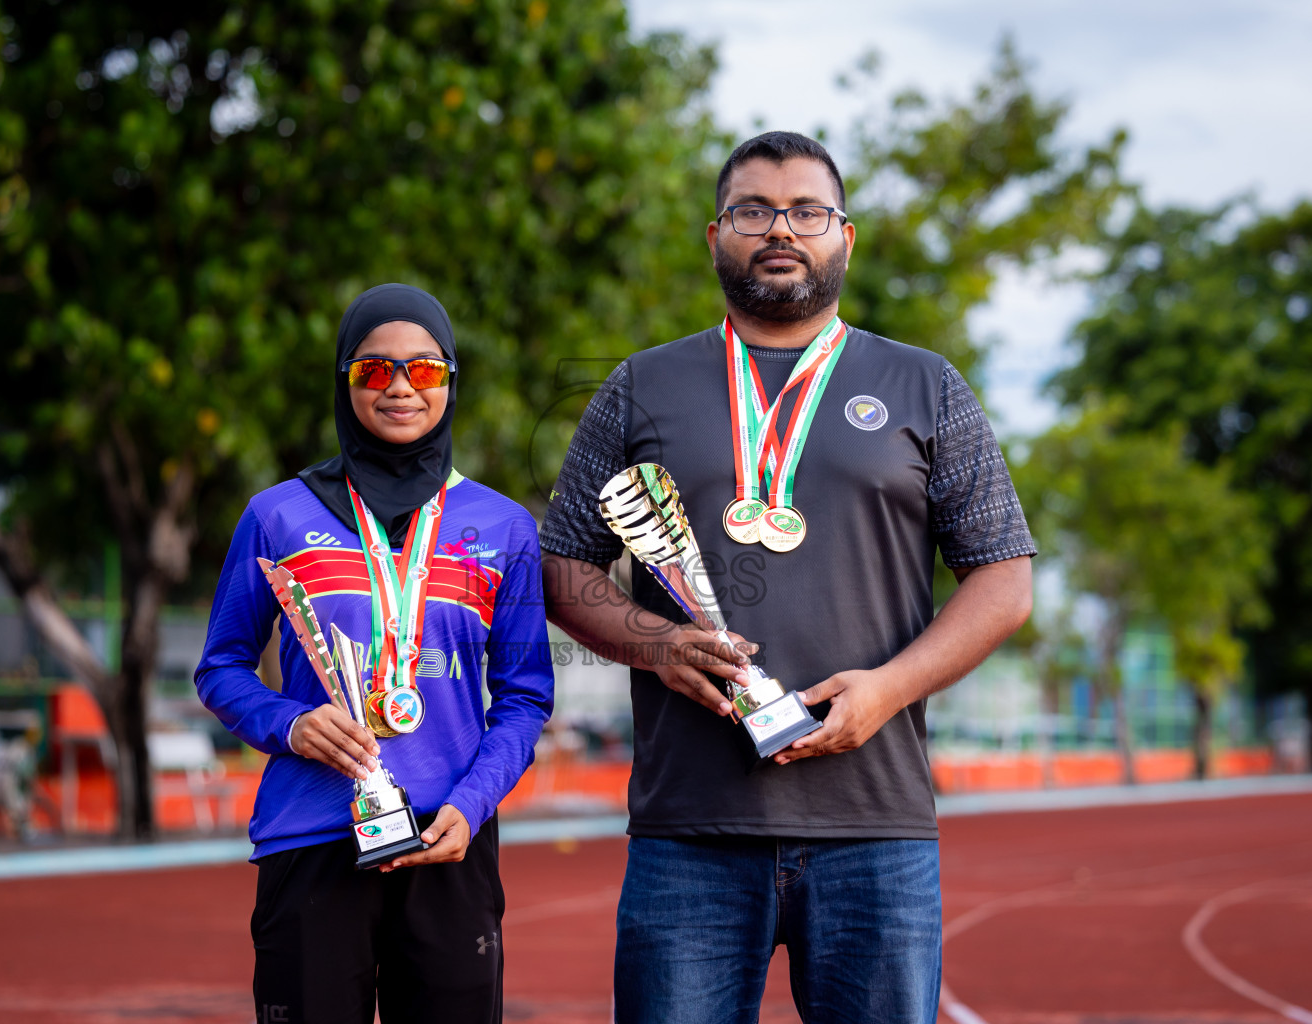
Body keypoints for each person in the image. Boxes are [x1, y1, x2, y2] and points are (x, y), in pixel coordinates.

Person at [541, 132, 1035, 1023]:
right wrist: (654, 645)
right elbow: (560, 561)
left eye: (807, 210)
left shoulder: (926, 385)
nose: (781, 228)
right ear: (714, 235)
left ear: (846, 236)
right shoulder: (636, 386)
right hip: (689, 829)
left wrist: (887, 691)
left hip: (874, 829)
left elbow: (1004, 578)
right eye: (752, 210)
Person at [195, 284, 554, 1024]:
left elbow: (523, 698)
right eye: (373, 370)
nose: (398, 388)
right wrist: (290, 724)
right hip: (314, 840)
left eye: (423, 371)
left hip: (450, 843)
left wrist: (472, 803)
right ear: (344, 380)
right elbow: (220, 667)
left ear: (450, 383)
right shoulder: (277, 515)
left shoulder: (504, 526)